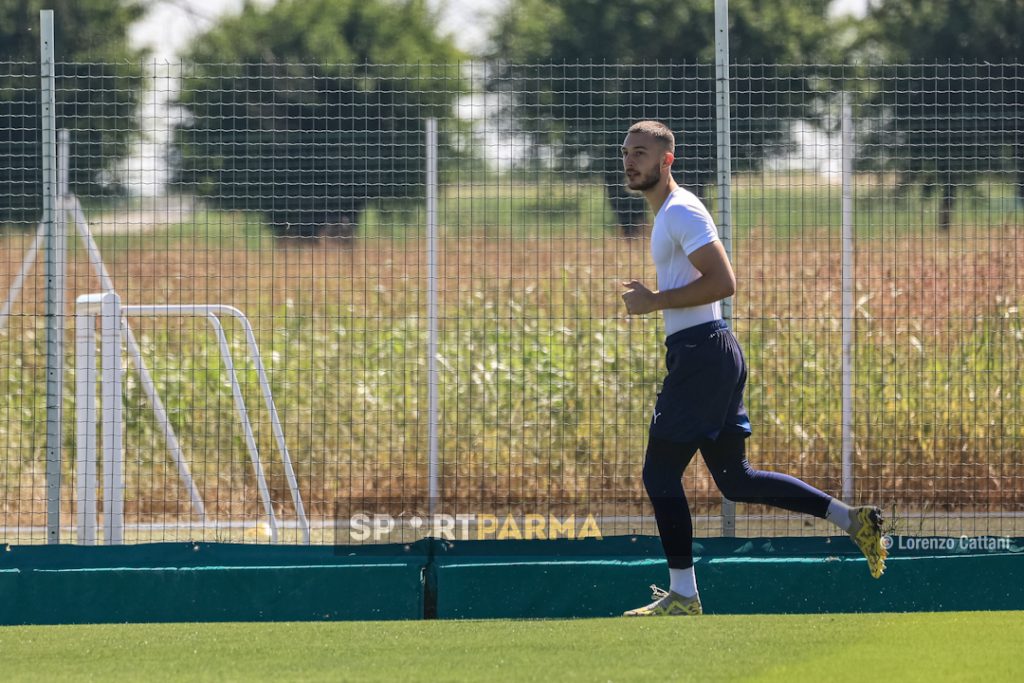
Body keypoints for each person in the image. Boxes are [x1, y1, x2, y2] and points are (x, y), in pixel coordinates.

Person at [618, 120, 887, 617]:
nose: (631, 161)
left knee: (659, 476)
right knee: (737, 481)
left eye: (642, 152)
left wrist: (655, 301)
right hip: (706, 354)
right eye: (627, 152)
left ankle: (684, 595)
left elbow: (724, 282)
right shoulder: (669, 215)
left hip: (703, 355)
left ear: (666, 160)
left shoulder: (680, 211)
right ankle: (853, 521)